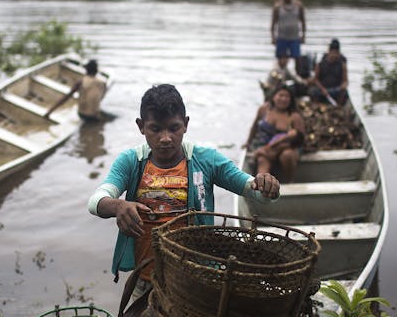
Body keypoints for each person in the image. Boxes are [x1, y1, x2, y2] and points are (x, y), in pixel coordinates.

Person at [87, 84, 280, 294]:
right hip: (145, 280)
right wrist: (118, 205)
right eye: (156, 129)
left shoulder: (206, 160)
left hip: (196, 278)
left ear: (186, 124)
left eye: (174, 128)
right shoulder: (131, 161)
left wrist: (266, 185)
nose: (166, 138)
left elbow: (252, 190)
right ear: (141, 126)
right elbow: (97, 200)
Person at [244, 85, 305, 183]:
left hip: (288, 147)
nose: (283, 99)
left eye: (287, 97)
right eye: (280, 95)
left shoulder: (294, 116)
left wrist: (274, 147)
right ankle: (262, 187)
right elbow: (255, 127)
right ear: (273, 96)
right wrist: (248, 142)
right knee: (262, 159)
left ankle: (289, 182)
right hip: (263, 145)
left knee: (286, 155)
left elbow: (300, 139)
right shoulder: (264, 109)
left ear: (291, 100)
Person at [271, 0, 307, 78]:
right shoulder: (277, 6)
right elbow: (273, 23)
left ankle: (298, 77)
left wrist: (303, 36)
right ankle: (279, 77)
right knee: (280, 59)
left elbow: (303, 21)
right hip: (282, 37)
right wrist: (273, 37)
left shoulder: (298, 6)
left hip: (294, 37)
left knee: (297, 58)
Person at [309, 38, 349, 105]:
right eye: (333, 52)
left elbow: (345, 81)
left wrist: (343, 85)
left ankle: (338, 108)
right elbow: (315, 79)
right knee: (312, 91)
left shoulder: (342, 65)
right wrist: (323, 89)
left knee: (344, 93)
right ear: (329, 52)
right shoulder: (320, 64)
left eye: (336, 53)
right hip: (322, 89)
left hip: (335, 89)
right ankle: (317, 106)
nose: (334, 55)